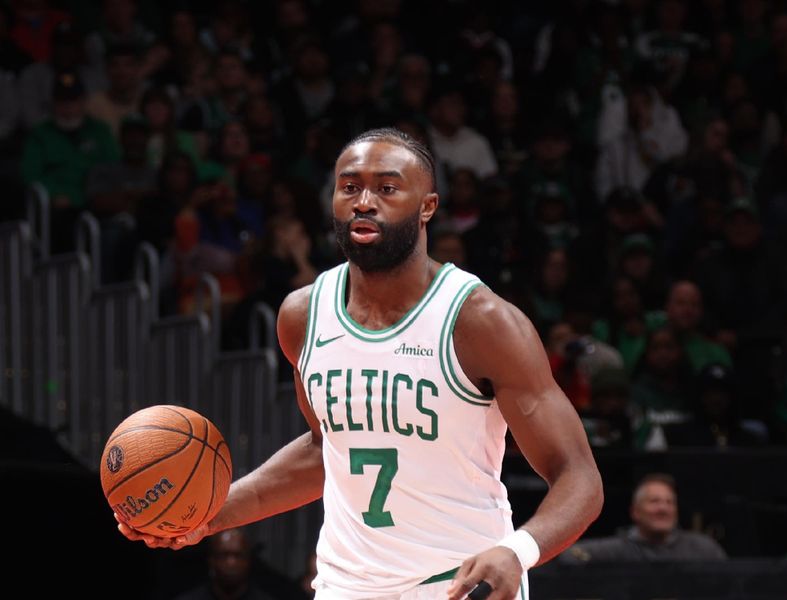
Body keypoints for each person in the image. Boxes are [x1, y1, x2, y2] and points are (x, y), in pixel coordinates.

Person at [117, 127, 603, 600]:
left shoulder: (482, 322)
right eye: (349, 187)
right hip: (344, 586)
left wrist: (517, 550)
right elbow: (325, 451)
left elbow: (579, 477)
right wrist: (209, 513)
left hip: (459, 584)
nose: (364, 201)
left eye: (387, 188)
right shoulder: (303, 316)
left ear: (427, 207)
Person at [559, 472, 727, 563]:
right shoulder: (617, 549)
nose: (664, 508)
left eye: (670, 502)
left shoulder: (703, 549)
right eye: (654, 501)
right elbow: (570, 557)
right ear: (635, 512)